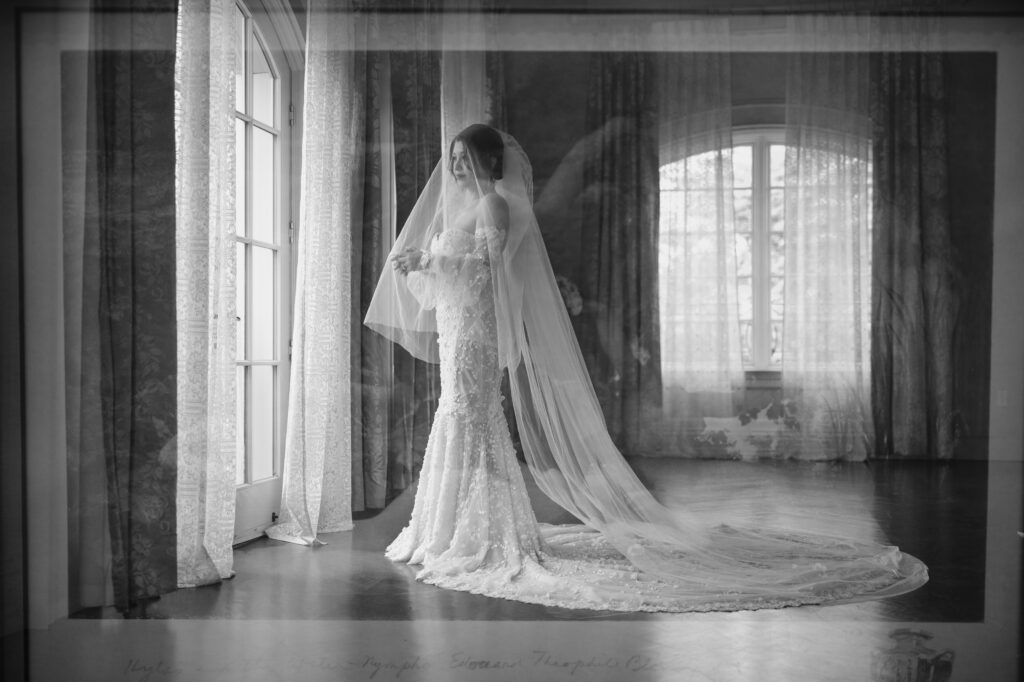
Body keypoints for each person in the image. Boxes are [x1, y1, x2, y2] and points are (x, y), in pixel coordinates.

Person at [364, 124, 928, 612]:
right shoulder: (458, 208)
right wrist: (421, 267)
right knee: (458, 413)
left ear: (489, 161)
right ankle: (448, 527)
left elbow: (486, 267)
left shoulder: (495, 206)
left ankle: (482, 531)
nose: (457, 164)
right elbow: (451, 283)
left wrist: (431, 258)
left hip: (478, 331)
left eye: (465, 156)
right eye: (454, 157)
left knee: (472, 413)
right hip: (460, 325)